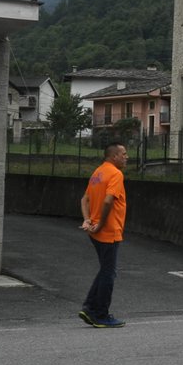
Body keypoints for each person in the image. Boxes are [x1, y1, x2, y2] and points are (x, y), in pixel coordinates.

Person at [78, 140, 129, 328]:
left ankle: (90, 308)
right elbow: (108, 201)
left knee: (105, 270)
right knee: (109, 273)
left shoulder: (98, 172)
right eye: (123, 154)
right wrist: (98, 225)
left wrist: (87, 220)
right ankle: (100, 314)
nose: (126, 157)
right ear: (114, 156)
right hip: (108, 231)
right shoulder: (116, 174)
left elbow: (85, 199)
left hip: (96, 232)